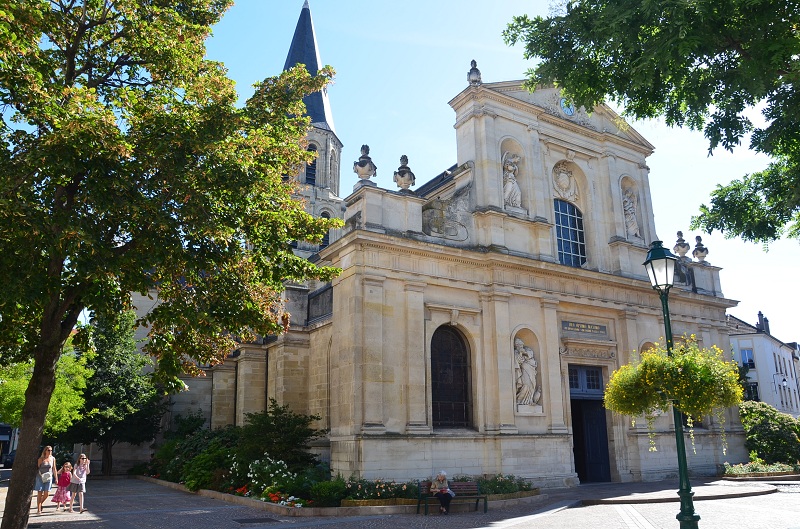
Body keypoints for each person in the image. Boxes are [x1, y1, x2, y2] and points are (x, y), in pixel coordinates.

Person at [34, 446, 56, 514]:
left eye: (51, 450)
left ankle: (40, 504)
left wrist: (56, 478)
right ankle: (39, 509)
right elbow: (38, 468)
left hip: (48, 477)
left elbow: (54, 468)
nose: (50, 452)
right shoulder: (41, 459)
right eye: (48, 450)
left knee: (47, 493)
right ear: (45, 451)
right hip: (40, 477)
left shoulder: (52, 458)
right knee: (40, 492)